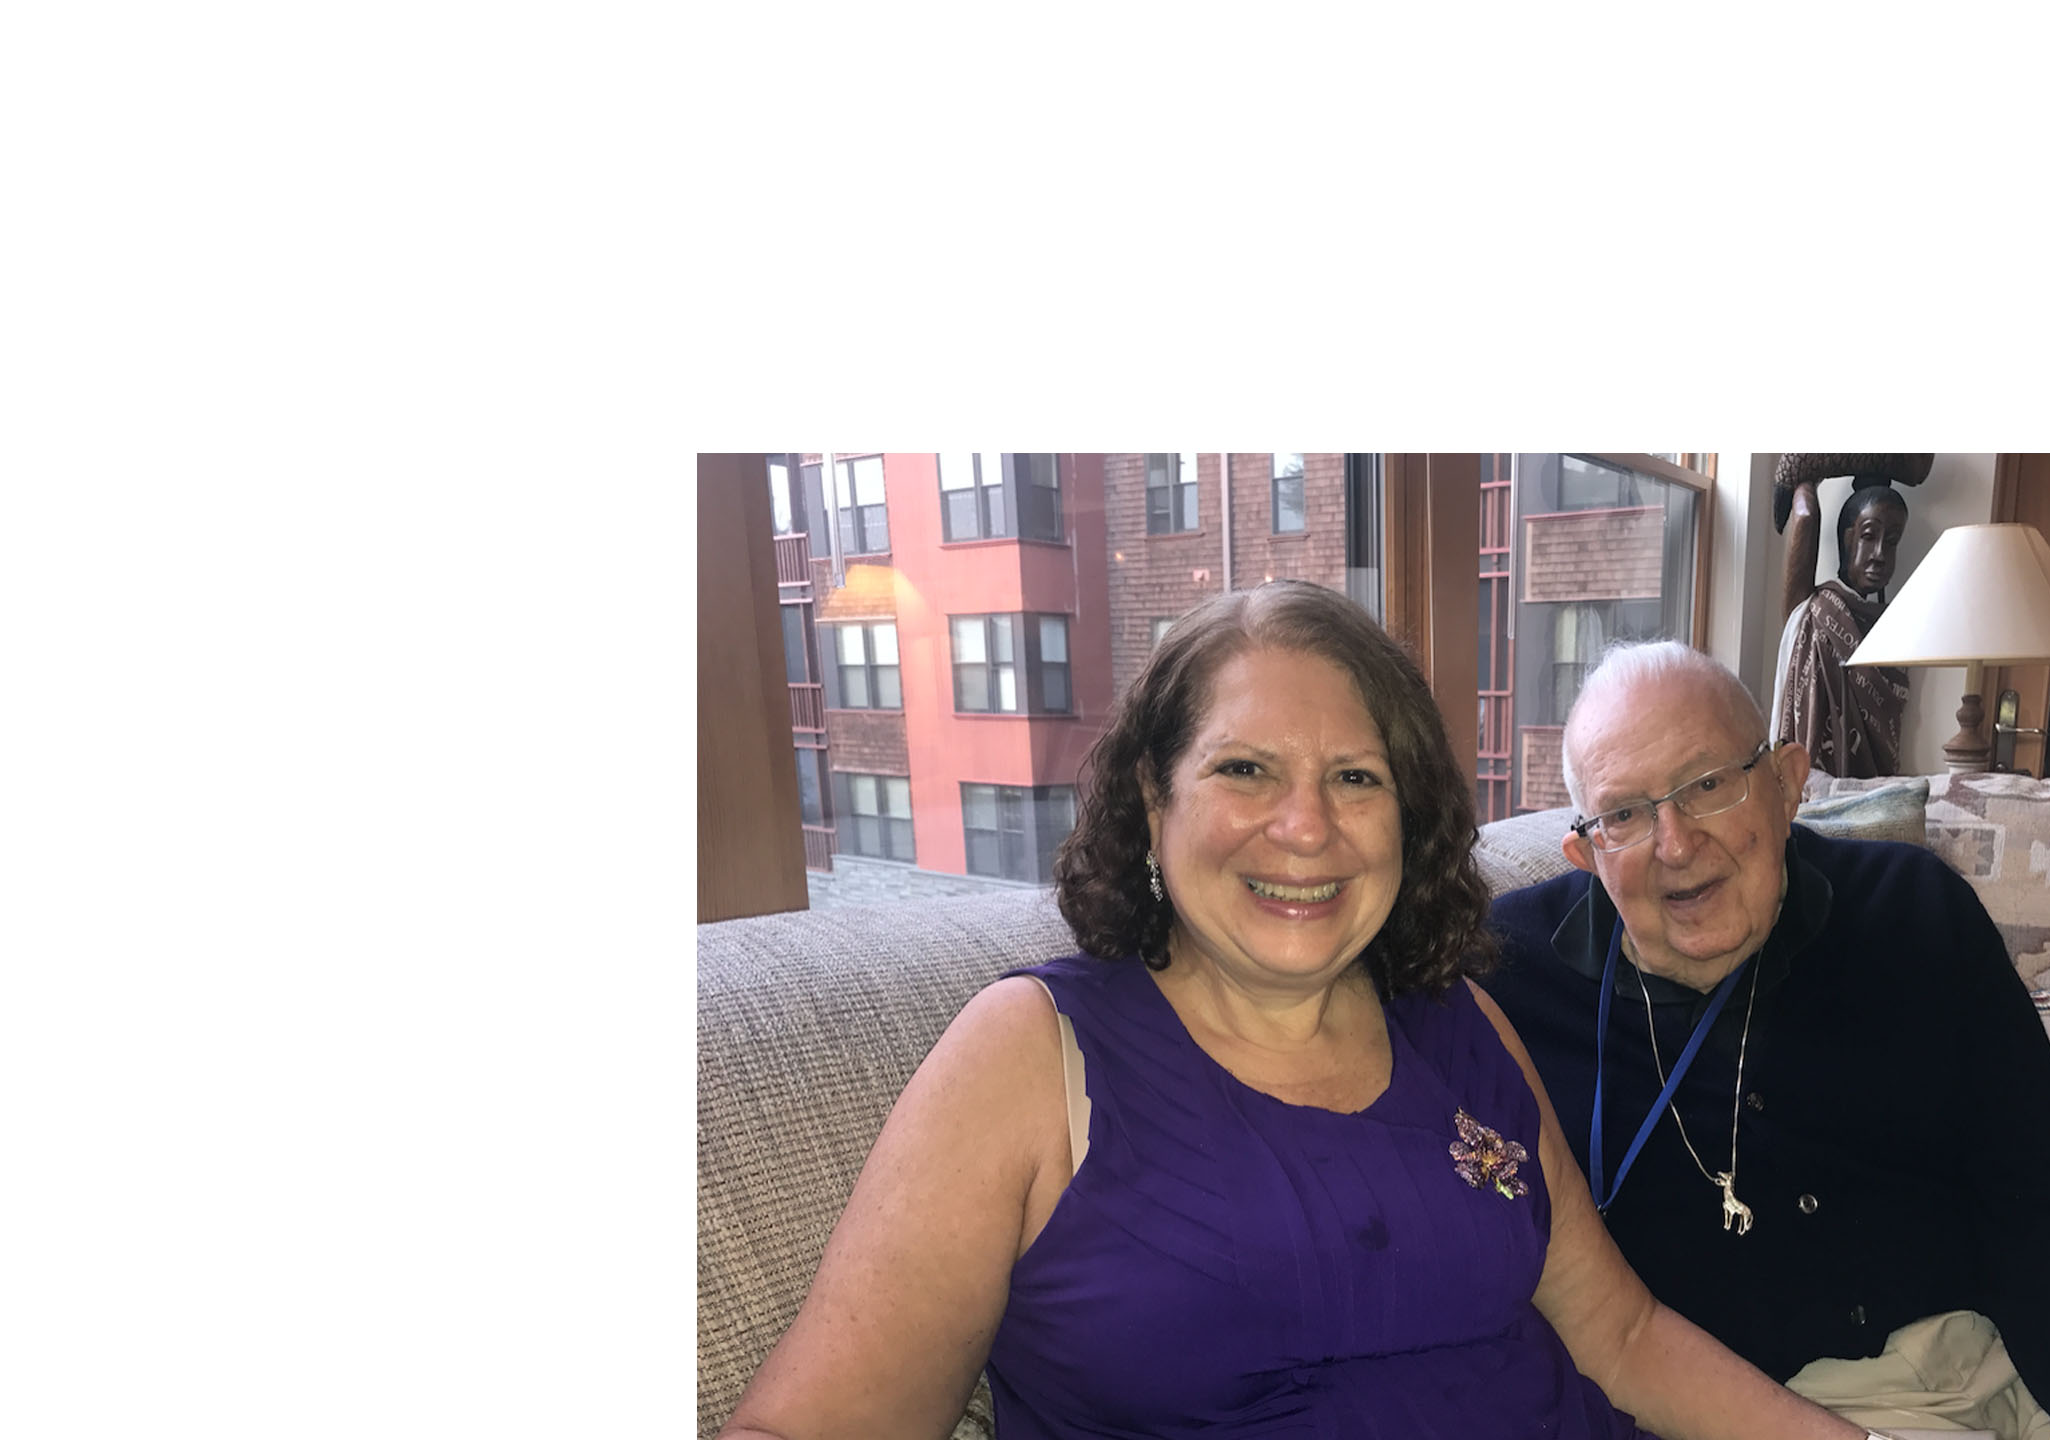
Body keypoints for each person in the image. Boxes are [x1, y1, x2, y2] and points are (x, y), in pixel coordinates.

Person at [719, 582, 1866, 1440]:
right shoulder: (1032, 1055)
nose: (1308, 827)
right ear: (1149, 798)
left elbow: (1620, 1336)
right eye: (1246, 771)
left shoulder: (1461, 1022)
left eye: (1356, 779)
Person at [1481, 641, 2050, 1440]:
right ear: (1584, 852)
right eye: (1625, 813)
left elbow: (2048, 1210)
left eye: (1709, 785)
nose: (1675, 845)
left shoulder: (1914, 913)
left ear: (1786, 784)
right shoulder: (1501, 979)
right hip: (1706, 1407)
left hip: (1971, 1369)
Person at [1776, 475, 1914, 779]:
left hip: (1877, 791)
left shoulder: (1896, 625)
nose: (1879, 554)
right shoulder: (1815, 609)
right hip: (1813, 789)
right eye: (1868, 536)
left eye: (1891, 541)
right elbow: (1805, 517)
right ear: (1846, 539)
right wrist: (1806, 476)